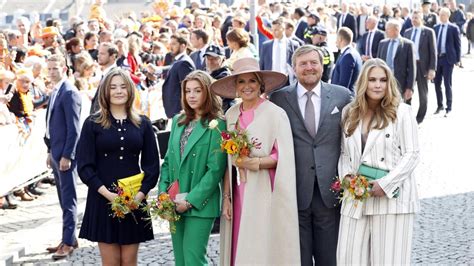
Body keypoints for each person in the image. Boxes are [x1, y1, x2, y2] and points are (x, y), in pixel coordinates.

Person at [212, 57, 300, 265]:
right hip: (239, 191)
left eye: (252, 81)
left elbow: (284, 156)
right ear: (235, 87)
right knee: (240, 242)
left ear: (260, 84)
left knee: (261, 244)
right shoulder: (231, 114)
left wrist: (256, 163)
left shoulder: (276, 114)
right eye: (241, 82)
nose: (247, 86)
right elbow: (228, 162)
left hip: (264, 190)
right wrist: (226, 197)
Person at [270, 45, 352, 266]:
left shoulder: (342, 95)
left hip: (330, 192)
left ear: (322, 66)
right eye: (303, 64)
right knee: (298, 259)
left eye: (314, 63)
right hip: (293, 191)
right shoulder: (278, 99)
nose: (309, 68)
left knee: (329, 259)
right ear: (294, 68)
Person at [337, 58, 420, 265]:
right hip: (356, 198)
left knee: (389, 260)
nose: (377, 85)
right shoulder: (349, 112)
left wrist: (385, 184)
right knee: (348, 259)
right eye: (372, 79)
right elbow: (344, 153)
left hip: (393, 200)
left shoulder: (402, 112)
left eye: (383, 80)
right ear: (363, 82)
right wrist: (346, 177)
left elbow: (412, 154)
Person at [76, 68, 159, 265]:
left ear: (130, 90)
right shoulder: (92, 123)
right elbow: (85, 167)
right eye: (113, 87)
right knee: (111, 262)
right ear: (106, 91)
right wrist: (108, 194)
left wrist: (139, 197)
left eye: (123, 86)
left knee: (129, 262)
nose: (118, 91)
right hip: (102, 199)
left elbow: (152, 166)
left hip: (134, 200)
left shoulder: (143, 123)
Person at [158, 70, 226, 266]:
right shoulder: (178, 122)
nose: (192, 96)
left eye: (197, 90)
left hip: (200, 204)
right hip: (174, 202)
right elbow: (168, 162)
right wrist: (163, 194)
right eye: (188, 91)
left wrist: (190, 201)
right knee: (180, 261)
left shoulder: (217, 124)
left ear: (207, 93)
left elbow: (215, 171)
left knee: (193, 260)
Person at [43, 54, 82, 259]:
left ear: (64, 69)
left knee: (69, 200)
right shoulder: (55, 91)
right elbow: (51, 125)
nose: (51, 72)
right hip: (56, 153)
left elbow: (74, 130)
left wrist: (67, 155)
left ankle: (68, 243)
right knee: (62, 198)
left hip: (66, 156)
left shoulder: (69, 92)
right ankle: (69, 237)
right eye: (48, 69)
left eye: (55, 68)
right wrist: (50, 151)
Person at [404, 11, 437, 124]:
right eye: (412, 18)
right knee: (407, 91)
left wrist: (432, 69)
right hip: (409, 67)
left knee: (423, 94)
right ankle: (407, 116)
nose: (414, 20)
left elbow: (433, 51)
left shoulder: (428, 32)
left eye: (416, 17)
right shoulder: (407, 32)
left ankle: (419, 118)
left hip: (422, 66)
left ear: (421, 19)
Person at [377, 20, 416, 105]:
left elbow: (412, 68)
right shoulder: (382, 43)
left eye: (388, 29)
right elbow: (378, 64)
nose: (386, 31)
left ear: (396, 30)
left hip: (400, 83)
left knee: (400, 108)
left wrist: (410, 88)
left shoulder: (408, 45)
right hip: (384, 81)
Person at [434, 8, 461, 117]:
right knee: (436, 83)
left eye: (443, 15)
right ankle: (439, 105)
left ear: (448, 16)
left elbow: (458, 44)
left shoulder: (453, 28)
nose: (441, 17)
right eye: (440, 15)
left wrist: (458, 60)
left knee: (447, 83)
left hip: (447, 59)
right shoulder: (435, 28)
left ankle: (448, 107)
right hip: (437, 59)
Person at [331, 27, 362, 94]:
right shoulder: (353, 53)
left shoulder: (348, 55)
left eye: (336, 38)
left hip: (344, 100)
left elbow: (343, 85)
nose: (335, 41)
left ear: (340, 39)